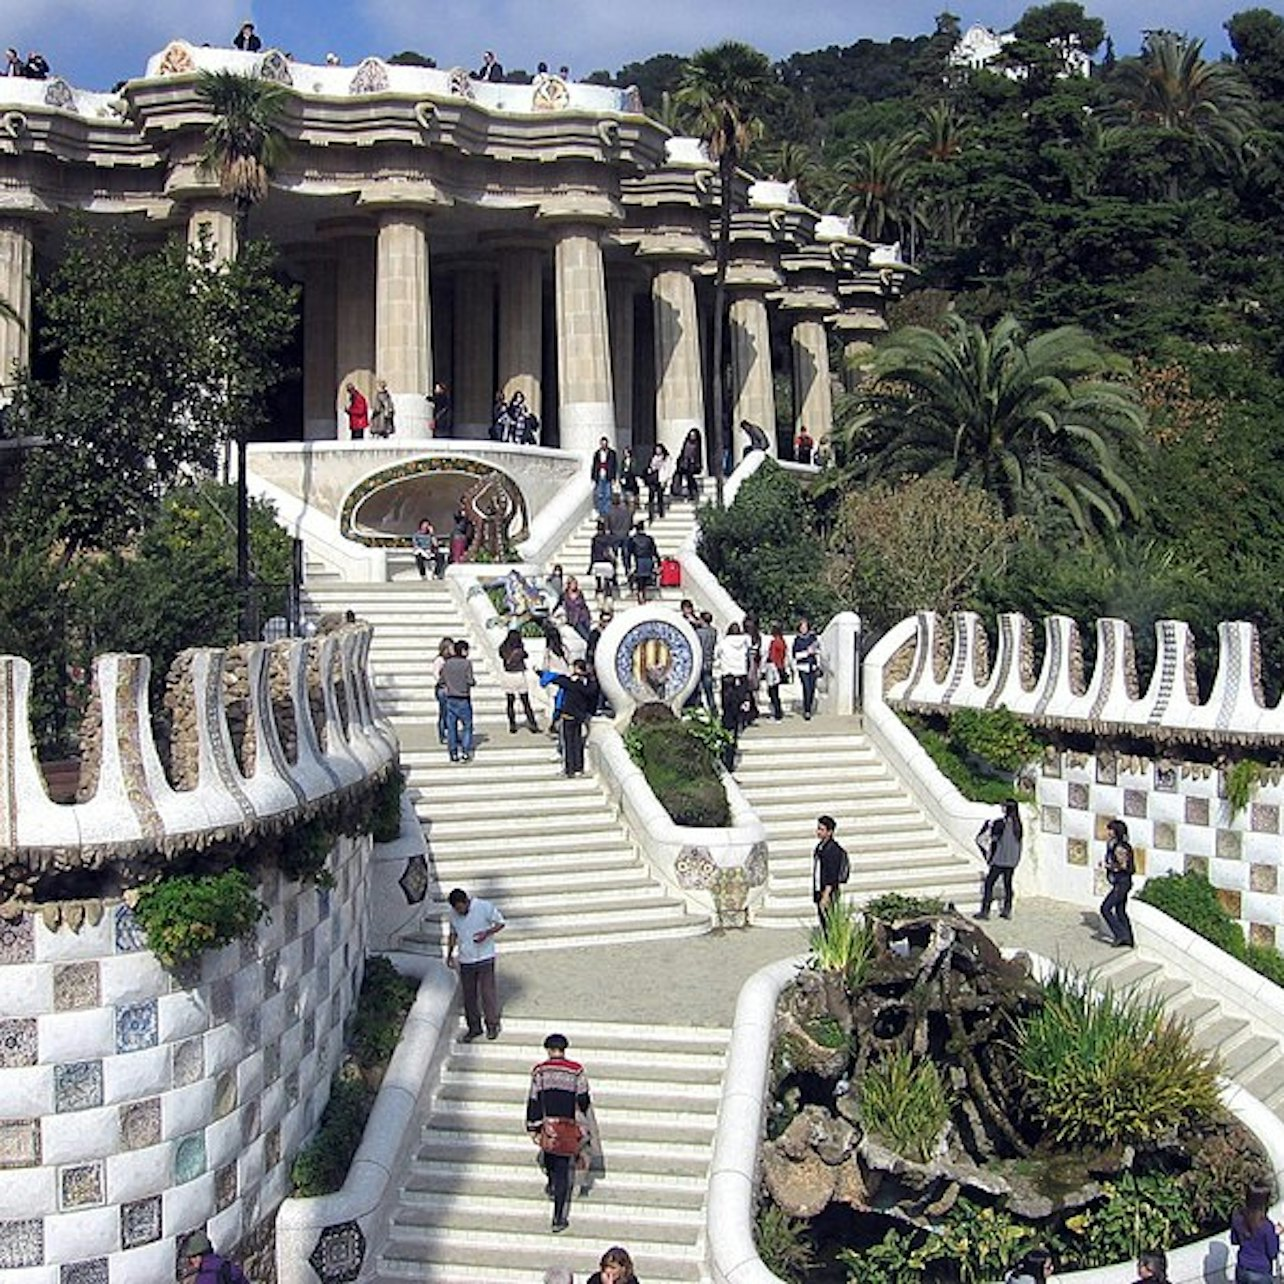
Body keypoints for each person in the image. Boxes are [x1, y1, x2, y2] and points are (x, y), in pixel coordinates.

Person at [525, 1032, 591, 1233]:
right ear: (564, 1049)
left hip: (548, 1126)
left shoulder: (540, 1072)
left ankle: (552, 1184)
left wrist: (533, 1127)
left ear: (548, 1049)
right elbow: (583, 1099)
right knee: (563, 1170)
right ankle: (558, 1217)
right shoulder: (576, 1070)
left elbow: (534, 1100)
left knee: (550, 1160)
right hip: (568, 1127)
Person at [445, 888, 504, 1041]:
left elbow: (500, 923)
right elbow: (453, 934)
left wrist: (486, 933)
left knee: (487, 993)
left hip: (485, 957)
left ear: (466, 902)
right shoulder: (452, 915)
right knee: (469, 996)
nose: (459, 912)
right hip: (466, 960)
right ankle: (474, 1027)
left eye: (461, 908)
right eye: (456, 909)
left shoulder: (483, 907)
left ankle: (492, 1024)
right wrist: (450, 954)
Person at [540, 658, 597, 775]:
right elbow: (592, 692)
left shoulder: (570, 682)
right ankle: (578, 768)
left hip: (568, 716)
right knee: (577, 743)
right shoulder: (587, 684)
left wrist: (540, 673)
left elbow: (557, 679)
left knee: (568, 744)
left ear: (576, 668)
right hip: (580, 717)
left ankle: (569, 769)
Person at [976, 798, 1023, 920]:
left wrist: (991, 858)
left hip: (1000, 859)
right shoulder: (1018, 826)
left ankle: (985, 911)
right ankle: (1007, 910)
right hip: (1011, 861)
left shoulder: (1000, 823)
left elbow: (994, 842)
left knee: (989, 883)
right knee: (1008, 885)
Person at [1232, 1184, 1280, 1284]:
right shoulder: (1266, 1227)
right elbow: (1273, 1253)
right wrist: (1276, 1234)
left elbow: (1235, 1240)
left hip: (1242, 1269)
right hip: (1260, 1272)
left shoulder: (1238, 1218)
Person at [1101, 817, 1136, 948]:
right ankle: (1129, 939)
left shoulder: (1119, 847)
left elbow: (1124, 866)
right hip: (1122, 883)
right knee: (1120, 911)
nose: (1108, 832)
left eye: (1110, 829)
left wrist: (1108, 866)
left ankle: (1121, 935)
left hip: (1122, 882)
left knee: (1105, 908)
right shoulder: (1115, 844)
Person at [440, 639, 476, 762]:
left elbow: (442, 680)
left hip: (450, 698)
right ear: (463, 651)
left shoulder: (447, 664)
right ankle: (465, 751)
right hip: (463, 698)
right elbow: (470, 680)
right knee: (467, 725)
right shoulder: (466, 664)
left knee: (451, 727)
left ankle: (453, 752)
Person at [499, 629, 540, 734]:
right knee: (525, 702)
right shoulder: (519, 649)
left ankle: (512, 725)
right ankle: (533, 724)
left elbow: (501, 655)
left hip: (508, 675)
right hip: (519, 675)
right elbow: (526, 655)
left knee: (510, 702)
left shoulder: (503, 647)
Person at [813, 814, 848, 926]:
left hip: (828, 892)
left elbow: (832, 875)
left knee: (829, 923)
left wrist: (826, 895)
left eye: (821, 829)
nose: (818, 832)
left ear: (830, 832)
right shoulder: (821, 847)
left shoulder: (833, 850)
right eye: (818, 828)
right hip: (819, 889)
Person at [180, 1230, 250, 1284]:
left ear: (198, 1256)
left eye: (191, 1257)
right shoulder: (227, 1266)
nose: (190, 1262)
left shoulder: (206, 1278)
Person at [792, 618, 821, 721]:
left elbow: (818, 650)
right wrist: (806, 652)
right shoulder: (797, 640)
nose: (804, 629)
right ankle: (807, 710)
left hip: (812, 667)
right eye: (802, 627)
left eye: (805, 627)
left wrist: (815, 652)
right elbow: (795, 655)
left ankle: (809, 706)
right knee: (807, 688)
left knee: (812, 689)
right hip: (803, 667)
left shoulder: (812, 638)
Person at [628, 522, 658, 605]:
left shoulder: (633, 539)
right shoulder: (649, 539)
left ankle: (640, 595)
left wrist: (628, 565)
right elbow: (654, 551)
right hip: (648, 560)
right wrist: (658, 563)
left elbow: (629, 553)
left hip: (639, 560)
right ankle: (643, 595)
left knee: (639, 579)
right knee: (645, 579)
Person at [764, 622, 789, 721]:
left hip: (774, 667)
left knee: (773, 691)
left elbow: (774, 656)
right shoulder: (781, 641)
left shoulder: (776, 642)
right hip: (778, 667)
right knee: (774, 691)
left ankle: (777, 713)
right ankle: (777, 712)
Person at [433, 637, 455, 745]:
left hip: (452, 688)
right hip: (443, 689)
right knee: (444, 712)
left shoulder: (452, 660)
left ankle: (451, 734)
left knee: (451, 713)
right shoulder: (440, 660)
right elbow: (436, 674)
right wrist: (443, 684)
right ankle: (443, 734)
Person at [605, 491, 633, 576]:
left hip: (614, 536)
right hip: (625, 534)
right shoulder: (627, 511)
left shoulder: (609, 512)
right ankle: (627, 569)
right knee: (626, 554)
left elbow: (607, 526)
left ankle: (614, 571)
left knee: (614, 555)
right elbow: (630, 525)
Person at [588, 521, 617, 601]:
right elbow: (612, 551)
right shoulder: (609, 538)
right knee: (607, 581)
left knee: (598, 582)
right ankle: (608, 596)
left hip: (597, 562)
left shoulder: (595, 539)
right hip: (607, 562)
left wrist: (590, 567)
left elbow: (592, 553)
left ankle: (599, 595)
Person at [695, 611, 718, 714]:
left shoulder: (699, 633)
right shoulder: (713, 632)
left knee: (698, 689)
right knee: (709, 690)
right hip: (709, 663)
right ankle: (713, 709)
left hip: (700, 662)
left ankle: (699, 708)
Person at [590, 436, 618, 517]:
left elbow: (614, 466)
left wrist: (614, 477)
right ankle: (601, 511)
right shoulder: (597, 453)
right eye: (602, 444)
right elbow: (594, 466)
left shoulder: (612, 453)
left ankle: (607, 511)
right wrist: (593, 477)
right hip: (600, 476)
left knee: (608, 494)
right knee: (600, 494)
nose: (604, 445)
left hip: (608, 476)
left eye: (605, 444)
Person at [644, 443, 670, 521]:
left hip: (661, 479)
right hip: (653, 479)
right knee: (651, 496)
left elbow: (667, 470)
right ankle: (651, 514)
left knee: (660, 496)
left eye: (659, 449)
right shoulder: (653, 458)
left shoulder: (666, 458)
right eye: (656, 449)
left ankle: (661, 512)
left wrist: (665, 480)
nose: (657, 451)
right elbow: (650, 467)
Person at [675, 427, 703, 500]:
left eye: (693, 435)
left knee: (690, 478)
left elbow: (698, 455)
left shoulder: (697, 444)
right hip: (685, 463)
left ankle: (693, 492)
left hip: (692, 464)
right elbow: (683, 453)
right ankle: (682, 491)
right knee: (685, 478)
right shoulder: (686, 443)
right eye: (691, 435)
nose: (692, 437)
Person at [561, 576, 592, 640]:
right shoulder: (565, 595)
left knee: (589, 634)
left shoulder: (579, 593)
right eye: (573, 584)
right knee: (586, 636)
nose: (574, 585)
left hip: (584, 617)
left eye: (575, 583)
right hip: (575, 619)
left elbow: (584, 605)